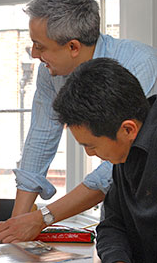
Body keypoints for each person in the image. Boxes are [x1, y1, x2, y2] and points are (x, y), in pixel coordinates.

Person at [0, 0, 157, 243]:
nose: (34, 54)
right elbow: (39, 141)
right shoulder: (50, 71)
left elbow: (113, 167)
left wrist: (42, 218)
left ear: (73, 47)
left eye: (39, 45)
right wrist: (15, 228)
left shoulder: (138, 63)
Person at [52, 58, 157, 263]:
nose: (90, 154)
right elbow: (113, 225)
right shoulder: (124, 153)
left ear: (128, 129)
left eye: (91, 146)